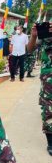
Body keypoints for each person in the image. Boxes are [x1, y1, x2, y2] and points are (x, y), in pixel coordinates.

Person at [27, 21, 52, 155]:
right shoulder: (45, 33)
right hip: (48, 76)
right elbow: (30, 49)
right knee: (48, 108)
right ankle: (50, 141)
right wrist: (34, 36)